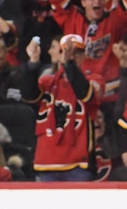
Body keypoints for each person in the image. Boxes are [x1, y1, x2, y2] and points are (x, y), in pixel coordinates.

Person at [18, 33, 104, 181]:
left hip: (78, 164)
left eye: (76, 53)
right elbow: (28, 96)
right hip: (46, 163)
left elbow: (86, 94)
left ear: (84, 55)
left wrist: (68, 64)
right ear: (57, 55)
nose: (71, 56)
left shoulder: (95, 80)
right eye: (65, 52)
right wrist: (33, 62)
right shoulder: (47, 82)